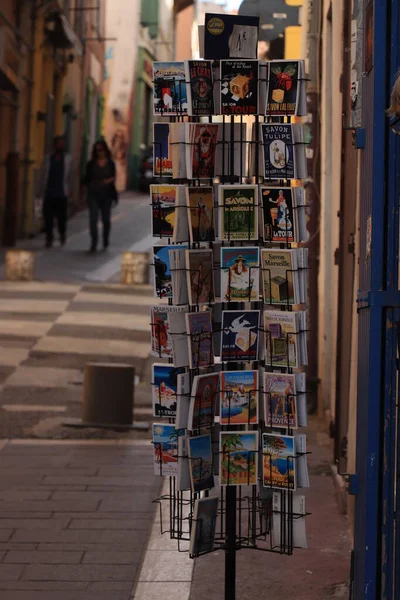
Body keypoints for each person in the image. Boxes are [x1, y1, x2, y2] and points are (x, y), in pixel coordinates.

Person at [37, 135, 73, 248]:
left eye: (62, 143)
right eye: (58, 143)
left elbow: (71, 176)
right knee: (48, 217)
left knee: (61, 217)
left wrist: (70, 189)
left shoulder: (67, 159)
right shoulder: (48, 159)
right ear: (55, 145)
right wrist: (40, 190)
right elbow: (42, 174)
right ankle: (49, 238)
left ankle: (62, 234)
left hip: (62, 193)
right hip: (49, 192)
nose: (60, 145)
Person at [83, 140, 117, 252]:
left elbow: (114, 177)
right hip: (93, 194)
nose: (99, 152)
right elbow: (86, 179)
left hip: (106, 195)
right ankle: (94, 241)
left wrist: (109, 180)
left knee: (106, 220)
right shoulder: (91, 164)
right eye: (97, 150)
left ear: (105, 150)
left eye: (101, 150)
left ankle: (105, 239)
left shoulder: (110, 164)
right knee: (93, 219)